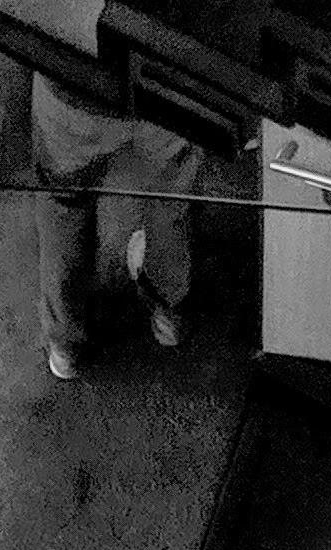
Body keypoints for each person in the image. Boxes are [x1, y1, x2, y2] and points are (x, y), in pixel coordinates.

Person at [31, 74, 203, 382]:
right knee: (171, 200)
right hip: (165, 84)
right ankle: (169, 311)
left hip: (74, 91)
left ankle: (66, 343)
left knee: (64, 208)